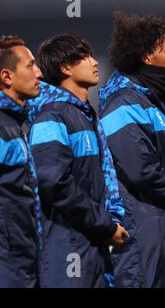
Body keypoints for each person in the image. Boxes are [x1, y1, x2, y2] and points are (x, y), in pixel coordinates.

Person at [99, 11, 165, 288]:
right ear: (147, 57)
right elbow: (142, 171)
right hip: (145, 239)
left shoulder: (163, 105)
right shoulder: (121, 106)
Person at [28, 34, 128, 288]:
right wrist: (105, 225)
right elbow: (54, 182)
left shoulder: (84, 116)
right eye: (85, 56)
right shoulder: (52, 116)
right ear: (65, 67)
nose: (95, 62)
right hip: (66, 248)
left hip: (90, 245)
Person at [0, 35, 42, 287]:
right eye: (30, 65)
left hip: (22, 259)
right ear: (6, 76)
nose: (38, 72)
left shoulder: (15, 125)